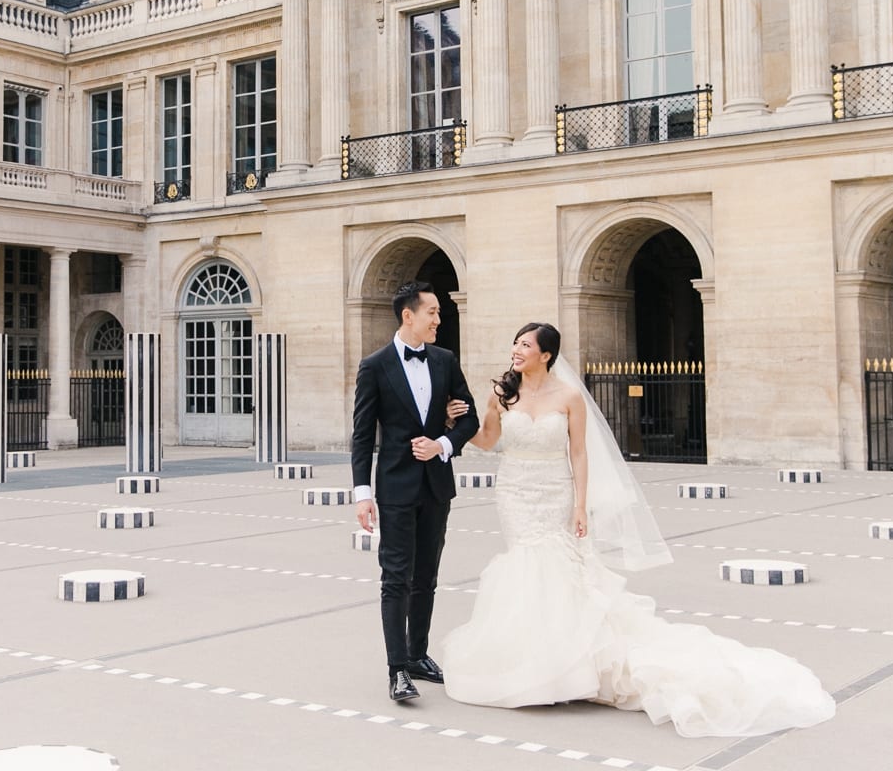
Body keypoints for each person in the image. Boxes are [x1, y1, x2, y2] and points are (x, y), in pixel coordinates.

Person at [439, 322, 836, 737]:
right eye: (515, 343)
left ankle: (567, 666)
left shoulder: (569, 396)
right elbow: (487, 441)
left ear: (547, 355)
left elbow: (579, 453)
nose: (516, 350)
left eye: (525, 345)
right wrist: (456, 427)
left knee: (558, 568)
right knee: (527, 566)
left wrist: (580, 505)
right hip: (514, 492)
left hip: (554, 491)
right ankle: (530, 661)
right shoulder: (502, 394)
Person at [351, 281, 479, 702]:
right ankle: (397, 670)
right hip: (394, 488)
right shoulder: (374, 365)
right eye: (433, 313)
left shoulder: (444, 360)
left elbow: (469, 419)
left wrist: (443, 444)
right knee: (395, 578)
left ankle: (418, 654)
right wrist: (361, 493)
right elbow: (362, 435)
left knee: (427, 576)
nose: (440, 320)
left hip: (436, 487)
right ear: (409, 315)